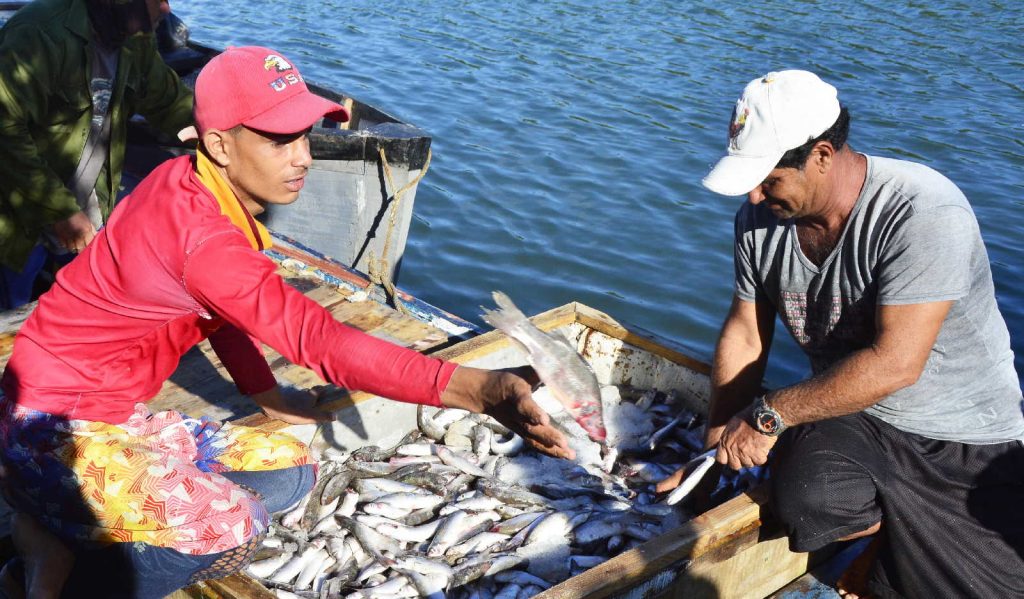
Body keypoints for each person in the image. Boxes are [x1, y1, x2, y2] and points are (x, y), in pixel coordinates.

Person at [0, 45, 573, 599]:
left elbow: (219, 319)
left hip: (113, 413)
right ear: (220, 145)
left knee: (292, 468)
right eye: (278, 138)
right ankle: (54, 574)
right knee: (234, 529)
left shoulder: (190, 180)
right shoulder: (205, 241)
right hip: (51, 429)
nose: (303, 154)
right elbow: (320, 339)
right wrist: (479, 389)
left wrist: (268, 395)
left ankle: (52, 526)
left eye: (302, 133)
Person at [657, 70, 1024, 598]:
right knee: (807, 494)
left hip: (961, 435)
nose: (755, 196)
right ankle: (877, 536)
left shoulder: (922, 211)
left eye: (769, 178)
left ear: (823, 154)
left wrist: (767, 415)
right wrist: (712, 452)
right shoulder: (758, 220)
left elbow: (897, 364)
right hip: (854, 416)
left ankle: (887, 547)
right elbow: (745, 335)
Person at [0, 0, 194, 310]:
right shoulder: (37, 34)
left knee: (79, 311)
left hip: (87, 208)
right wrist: (58, 211)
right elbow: (6, 136)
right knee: (12, 319)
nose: (167, 9)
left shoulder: (135, 39)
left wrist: (226, 134)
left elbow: (169, 101)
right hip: (19, 220)